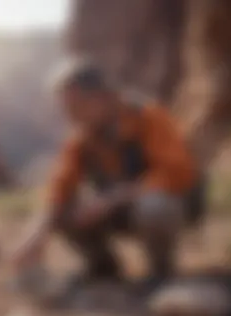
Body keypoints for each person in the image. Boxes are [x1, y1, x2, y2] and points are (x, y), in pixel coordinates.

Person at [13, 58, 203, 285]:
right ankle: (103, 268)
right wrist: (36, 233)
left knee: (155, 206)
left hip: (170, 206)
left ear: (102, 97)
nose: (70, 115)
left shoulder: (149, 118)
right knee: (64, 212)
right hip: (121, 210)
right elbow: (59, 189)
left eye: (76, 106)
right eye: (66, 108)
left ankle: (160, 273)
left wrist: (112, 198)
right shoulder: (82, 138)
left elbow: (177, 173)